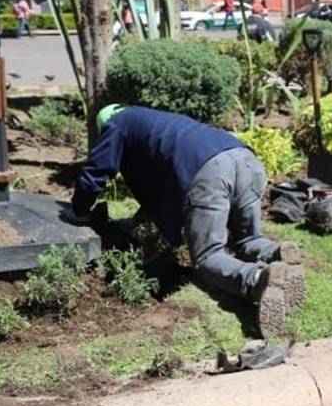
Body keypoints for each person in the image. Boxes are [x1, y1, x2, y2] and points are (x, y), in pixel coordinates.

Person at [67, 105, 305, 336]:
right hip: (245, 158)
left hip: (210, 172)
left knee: (208, 257)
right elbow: (161, 186)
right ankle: (278, 252)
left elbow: (97, 171)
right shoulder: (152, 121)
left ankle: (258, 280)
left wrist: (80, 210)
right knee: (249, 237)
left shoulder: (115, 125)